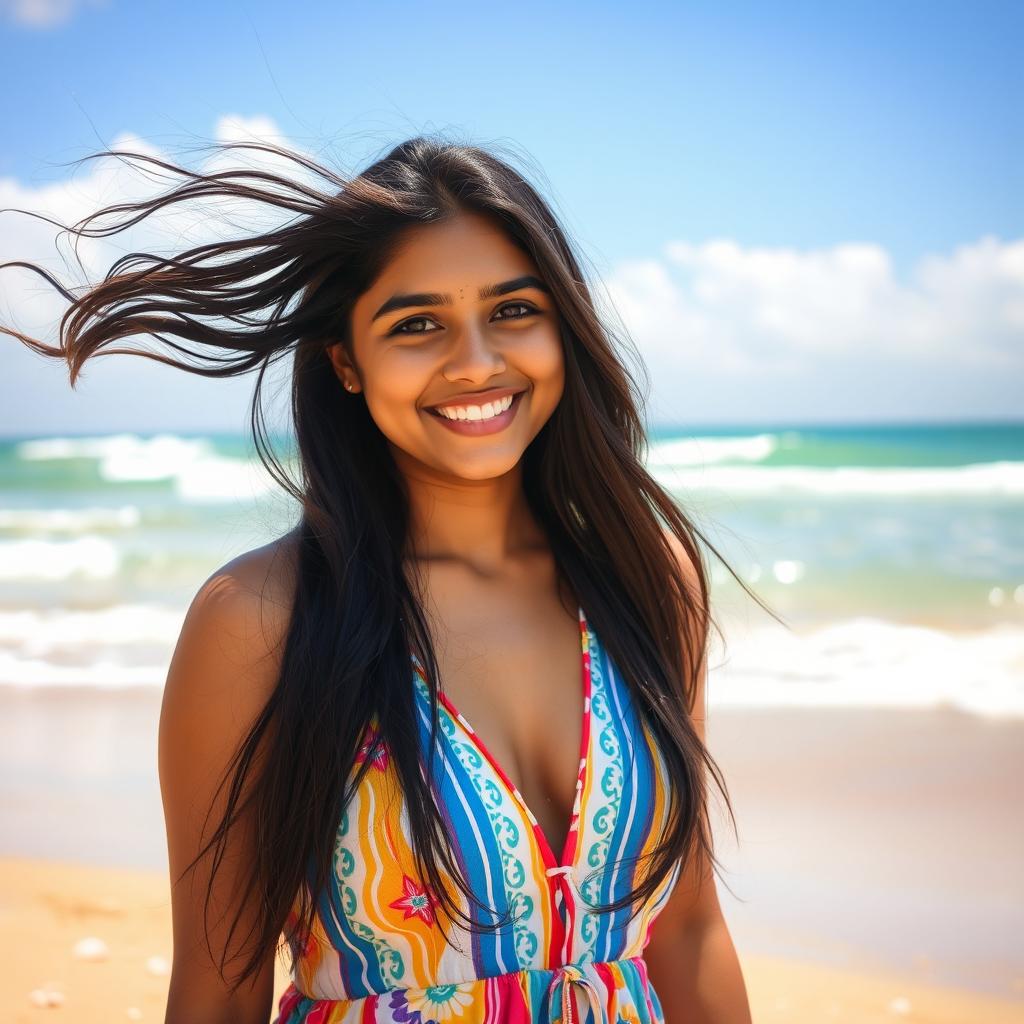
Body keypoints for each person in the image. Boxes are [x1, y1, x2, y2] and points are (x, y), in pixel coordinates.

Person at [2, 135, 759, 1022]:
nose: (477, 361)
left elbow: (691, 930)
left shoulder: (645, 577)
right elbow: (218, 992)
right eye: (417, 324)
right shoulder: (260, 621)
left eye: (514, 310)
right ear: (346, 361)